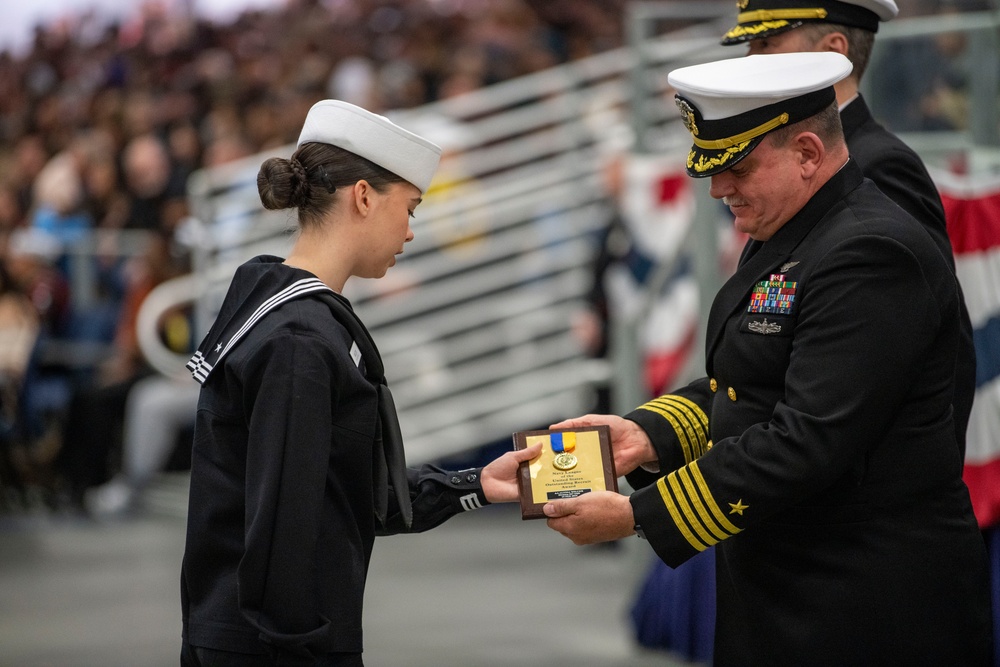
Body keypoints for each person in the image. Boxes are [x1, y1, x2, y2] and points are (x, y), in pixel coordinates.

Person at [541, 52, 993, 665]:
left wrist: (637, 515)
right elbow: (747, 387)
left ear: (808, 153)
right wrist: (645, 435)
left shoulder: (870, 252)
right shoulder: (796, 229)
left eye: (738, 168)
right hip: (792, 584)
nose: (718, 187)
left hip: (867, 601)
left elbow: (806, 436)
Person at [179, 99, 536, 667]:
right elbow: (281, 535)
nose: (411, 232)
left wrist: (474, 483)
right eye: (410, 208)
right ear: (364, 196)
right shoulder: (300, 338)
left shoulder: (286, 309)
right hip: (277, 647)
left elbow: (341, 495)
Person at [723, 0, 976, 460]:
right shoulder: (794, 164)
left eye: (766, 43)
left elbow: (910, 340)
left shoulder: (879, 163)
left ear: (834, 51)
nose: (750, 61)